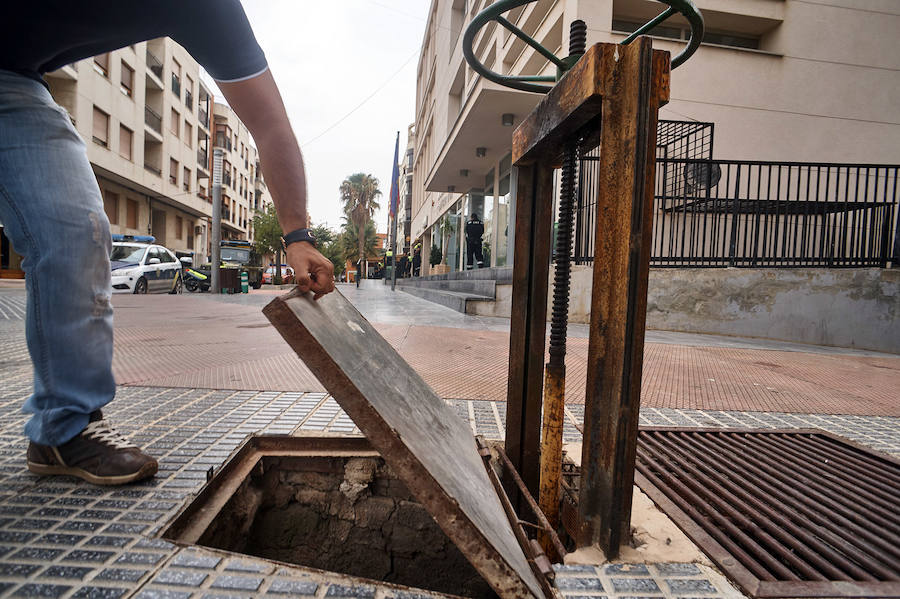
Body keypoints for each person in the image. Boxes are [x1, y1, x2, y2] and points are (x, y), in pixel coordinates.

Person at [1, 1, 335, 486]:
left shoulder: (208, 9)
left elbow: (269, 124)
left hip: (12, 81)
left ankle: (63, 429)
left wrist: (298, 237)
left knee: (78, 232)